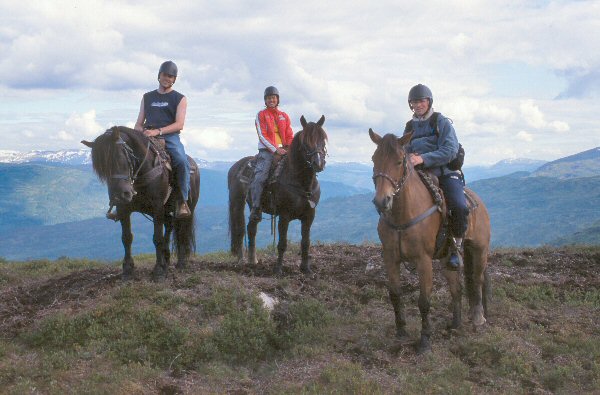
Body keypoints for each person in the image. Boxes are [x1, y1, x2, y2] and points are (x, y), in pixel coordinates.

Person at [403, 83, 467, 270]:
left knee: (459, 206)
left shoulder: (442, 122)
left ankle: (455, 248)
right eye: (414, 102)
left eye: (422, 101)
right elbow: (405, 150)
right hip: (419, 173)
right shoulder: (409, 126)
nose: (418, 105)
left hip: (445, 172)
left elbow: (450, 150)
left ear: (429, 102)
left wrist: (423, 158)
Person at [134, 60, 191, 218]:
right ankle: (123, 199)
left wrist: (158, 131)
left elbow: (179, 124)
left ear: (174, 79)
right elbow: (138, 124)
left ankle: (182, 201)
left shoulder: (180, 98)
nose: (167, 78)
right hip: (147, 134)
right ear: (159, 76)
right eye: (165, 75)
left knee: (181, 160)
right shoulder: (147, 97)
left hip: (169, 136)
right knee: (127, 156)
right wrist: (143, 132)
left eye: (171, 76)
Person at [249, 86, 294, 222]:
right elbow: (262, 136)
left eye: (273, 98)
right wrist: (275, 149)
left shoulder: (284, 116)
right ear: (265, 100)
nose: (271, 100)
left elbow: (289, 134)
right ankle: (256, 208)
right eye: (269, 98)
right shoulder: (261, 115)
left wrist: (290, 147)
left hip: (285, 149)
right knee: (260, 178)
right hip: (267, 151)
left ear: (277, 99)